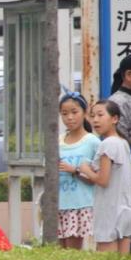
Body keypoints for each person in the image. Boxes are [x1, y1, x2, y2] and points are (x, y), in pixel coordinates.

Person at [79, 101, 131, 254]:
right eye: (93, 116)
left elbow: (103, 180)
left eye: (100, 115)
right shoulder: (123, 143)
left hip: (110, 212)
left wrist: (85, 169)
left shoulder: (108, 144)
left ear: (115, 119)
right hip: (126, 212)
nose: (95, 120)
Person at [57, 92, 100, 250]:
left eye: (74, 112)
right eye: (64, 113)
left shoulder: (92, 142)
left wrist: (74, 170)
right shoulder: (58, 140)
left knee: (72, 254)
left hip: (79, 204)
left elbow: (99, 178)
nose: (70, 117)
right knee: (57, 254)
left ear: (85, 112)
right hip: (58, 204)